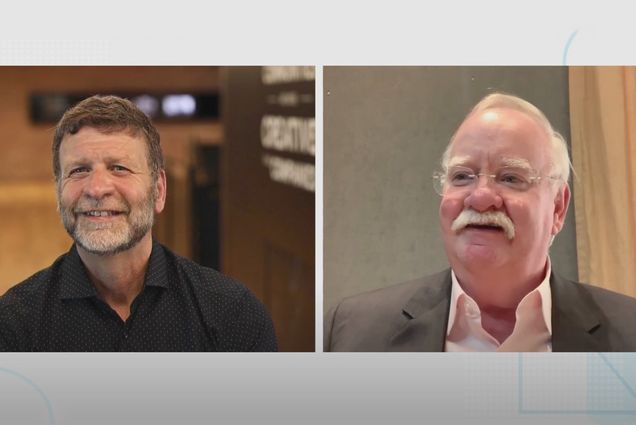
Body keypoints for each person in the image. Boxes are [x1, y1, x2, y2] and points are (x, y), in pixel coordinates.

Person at [325, 93, 636, 352]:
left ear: (557, 208)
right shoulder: (352, 333)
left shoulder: (628, 334)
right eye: (462, 176)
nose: (481, 197)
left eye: (511, 178)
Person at [0, 95, 277, 351]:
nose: (96, 189)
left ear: (159, 191)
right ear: (59, 190)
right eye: (79, 170)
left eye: (119, 168)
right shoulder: (14, 327)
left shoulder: (233, 315)